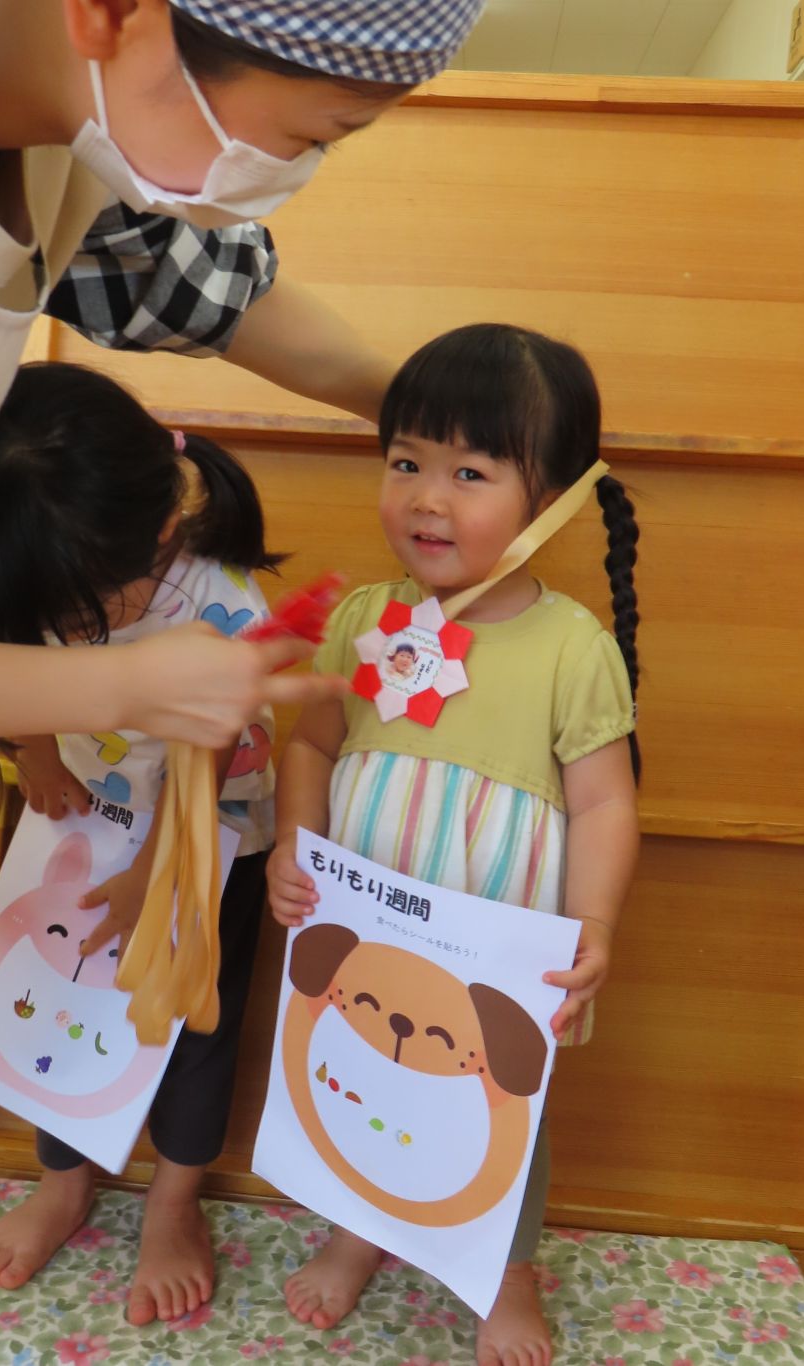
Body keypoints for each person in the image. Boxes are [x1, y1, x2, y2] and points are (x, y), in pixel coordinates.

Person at [0, 0, 485, 749]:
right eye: (310, 136)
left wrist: (415, 410)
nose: (295, 172)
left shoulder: (57, 119)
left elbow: (191, 284)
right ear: (113, 12)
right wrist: (126, 688)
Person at [266, 323, 641, 1366]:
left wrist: (596, 924)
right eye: (405, 462)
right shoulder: (359, 617)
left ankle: (503, 1273)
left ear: (553, 495)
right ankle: (359, 1232)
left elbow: (607, 805)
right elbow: (309, 742)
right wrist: (294, 848)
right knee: (362, 1075)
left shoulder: (572, 647)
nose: (426, 497)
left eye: (469, 471)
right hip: (366, 933)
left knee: (497, 1114)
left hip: (499, 958)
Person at [0, 358, 284, 1324]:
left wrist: (157, 887)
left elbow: (220, 770)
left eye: (81, 613)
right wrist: (35, 754)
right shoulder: (30, 560)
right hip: (82, 829)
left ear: (158, 533)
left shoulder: (224, 613)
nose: (61, 629)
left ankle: (173, 1200)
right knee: (59, 1000)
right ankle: (65, 1179)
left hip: (206, 849)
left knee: (192, 1026)